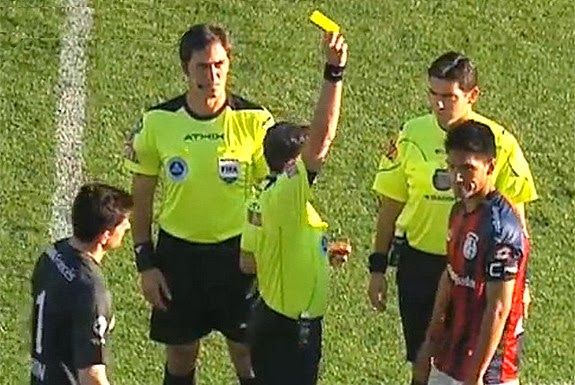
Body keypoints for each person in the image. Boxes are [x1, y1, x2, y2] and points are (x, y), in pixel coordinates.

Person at [367, 51, 537, 384]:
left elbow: (517, 221)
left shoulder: (498, 143)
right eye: (433, 94)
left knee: (481, 360)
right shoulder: (411, 134)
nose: (439, 104)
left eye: (449, 97)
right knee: (423, 359)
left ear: (472, 96)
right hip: (422, 266)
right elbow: (390, 205)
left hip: (479, 276)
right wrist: (377, 267)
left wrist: (522, 283)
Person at [123, 24, 275, 385]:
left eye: (219, 64)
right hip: (179, 256)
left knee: (247, 352)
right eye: (203, 67)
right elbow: (141, 197)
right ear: (185, 69)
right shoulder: (158, 123)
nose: (213, 75)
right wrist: (145, 263)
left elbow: (273, 194)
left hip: (237, 255)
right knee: (180, 352)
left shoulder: (255, 122)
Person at [239, 32, 348, 385]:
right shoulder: (286, 194)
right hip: (288, 333)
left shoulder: (269, 196)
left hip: (276, 322)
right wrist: (334, 72)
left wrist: (314, 255)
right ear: (291, 164)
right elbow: (322, 140)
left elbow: (249, 260)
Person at [414, 120, 529, 385]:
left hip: (489, 372)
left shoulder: (501, 231)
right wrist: (431, 339)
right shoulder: (460, 210)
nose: (457, 177)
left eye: (467, 168)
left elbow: (499, 308)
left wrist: (476, 376)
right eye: (452, 167)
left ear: (490, 167)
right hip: (450, 356)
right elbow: (451, 275)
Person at [30, 182, 133, 385]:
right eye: (122, 224)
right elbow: (91, 376)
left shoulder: (52, 254)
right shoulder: (90, 290)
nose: (128, 227)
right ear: (105, 236)